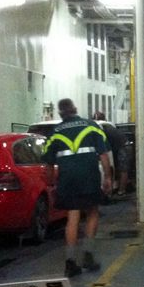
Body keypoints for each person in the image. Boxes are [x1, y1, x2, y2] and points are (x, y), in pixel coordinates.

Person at [43, 99, 112, 277]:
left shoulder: (55, 133)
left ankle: (70, 263)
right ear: (75, 109)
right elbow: (103, 155)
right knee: (92, 212)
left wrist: (50, 183)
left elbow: (48, 164)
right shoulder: (91, 126)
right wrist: (108, 177)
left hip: (67, 180)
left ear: (60, 113)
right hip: (89, 178)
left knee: (72, 218)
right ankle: (88, 255)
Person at [92, 111, 129, 195]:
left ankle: (121, 191)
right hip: (122, 145)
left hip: (122, 146)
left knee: (123, 168)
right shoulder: (108, 124)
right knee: (122, 168)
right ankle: (120, 189)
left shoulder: (99, 126)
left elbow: (101, 144)